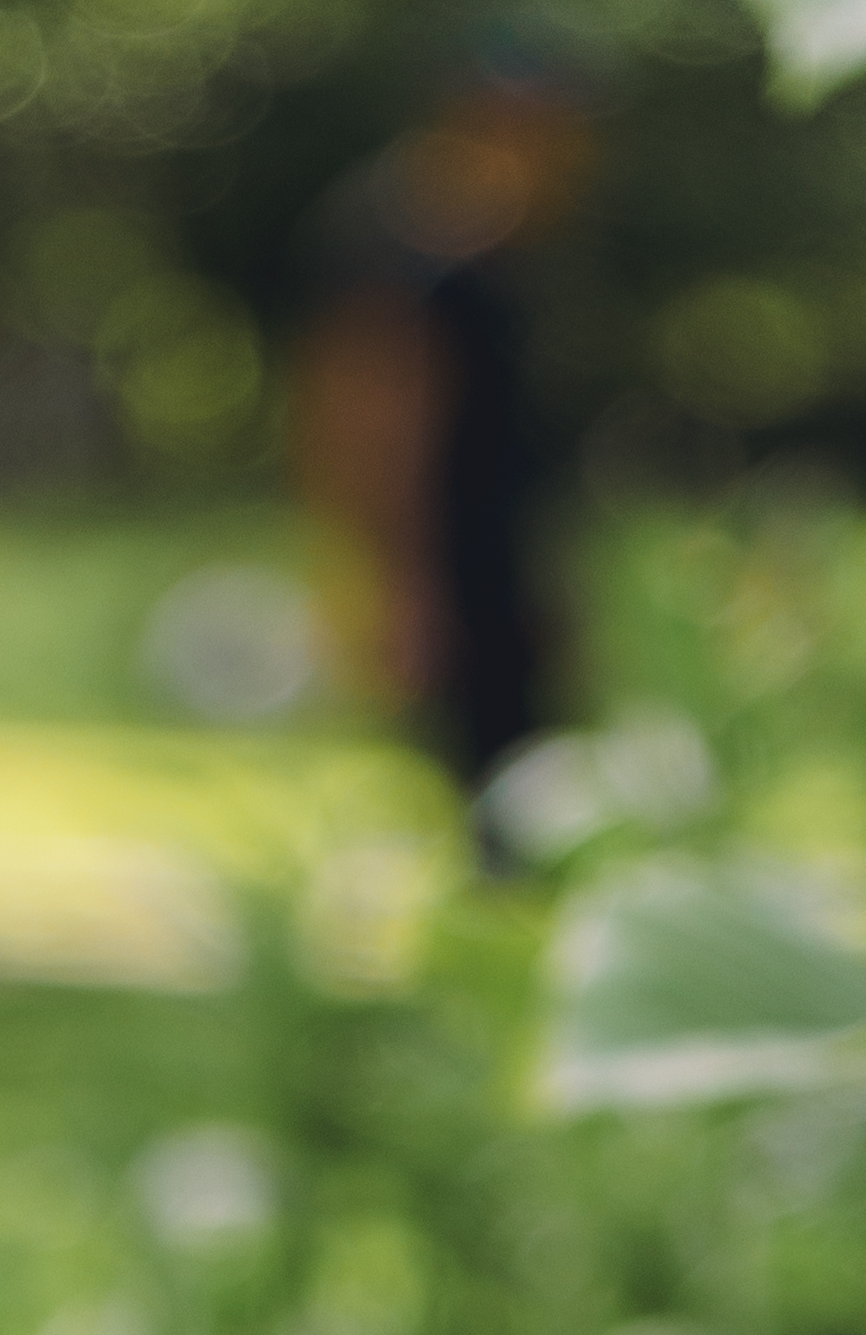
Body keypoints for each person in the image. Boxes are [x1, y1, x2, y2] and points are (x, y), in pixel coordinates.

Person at [287, 45, 596, 795]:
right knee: (492, 785)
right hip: (448, 567)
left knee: (528, 776)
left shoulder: (501, 240)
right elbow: (364, 415)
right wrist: (399, 581)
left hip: (504, 562)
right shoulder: (409, 238)